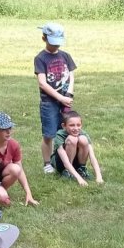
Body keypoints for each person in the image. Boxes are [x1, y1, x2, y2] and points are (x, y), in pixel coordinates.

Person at [34, 22, 76, 174]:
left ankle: (62, 161)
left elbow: (71, 75)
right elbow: (42, 83)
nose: (55, 46)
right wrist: (60, 97)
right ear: (43, 38)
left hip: (64, 100)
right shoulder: (40, 58)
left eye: (58, 43)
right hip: (49, 103)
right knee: (49, 134)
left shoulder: (66, 56)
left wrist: (68, 94)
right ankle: (47, 163)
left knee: (64, 131)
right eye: (52, 43)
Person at [51, 109, 104, 186]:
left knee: (83, 139)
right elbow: (65, 162)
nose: (76, 128)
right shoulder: (59, 135)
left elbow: (92, 157)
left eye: (78, 125)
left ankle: (81, 169)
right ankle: (67, 172)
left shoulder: (83, 133)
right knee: (72, 139)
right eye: (72, 125)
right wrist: (80, 179)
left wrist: (99, 177)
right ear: (64, 126)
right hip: (62, 164)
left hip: (76, 161)